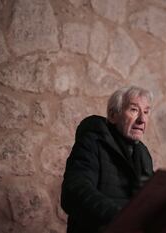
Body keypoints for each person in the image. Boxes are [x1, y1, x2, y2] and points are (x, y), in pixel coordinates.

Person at [61, 86, 154, 233]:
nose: (142, 119)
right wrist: (121, 218)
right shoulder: (91, 143)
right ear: (112, 115)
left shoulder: (143, 154)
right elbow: (74, 192)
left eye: (146, 112)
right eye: (134, 110)